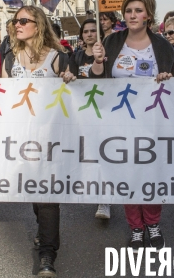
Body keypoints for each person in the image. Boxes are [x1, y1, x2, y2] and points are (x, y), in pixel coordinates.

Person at [87, 0, 174, 253]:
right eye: (129, 11)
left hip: (153, 121)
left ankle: (153, 224)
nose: (132, 15)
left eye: (138, 10)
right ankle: (136, 228)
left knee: (151, 173)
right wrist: (96, 62)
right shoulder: (112, 41)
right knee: (128, 175)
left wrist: (167, 77)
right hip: (120, 121)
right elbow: (97, 80)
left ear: (148, 14)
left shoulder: (161, 45)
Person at [0, 5, 68, 278]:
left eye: (23, 20)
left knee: (47, 196)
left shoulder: (57, 57)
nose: (17, 25)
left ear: (38, 24)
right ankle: (45, 234)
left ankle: (47, 252)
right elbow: (6, 95)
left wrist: (71, 79)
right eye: (15, 21)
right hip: (22, 137)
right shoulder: (10, 58)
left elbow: (76, 93)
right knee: (34, 191)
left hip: (51, 137)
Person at [63, 19, 110, 219]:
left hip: (105, 111)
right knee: (88, 153)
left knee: (104, 154)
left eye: (94, 31)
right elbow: (70, 75)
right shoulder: (77, 55)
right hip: (83, 112)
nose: (90, 34)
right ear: (82, 35)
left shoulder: (108, 54)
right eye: (86, 31)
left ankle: (105, 200)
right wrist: (67, 76)